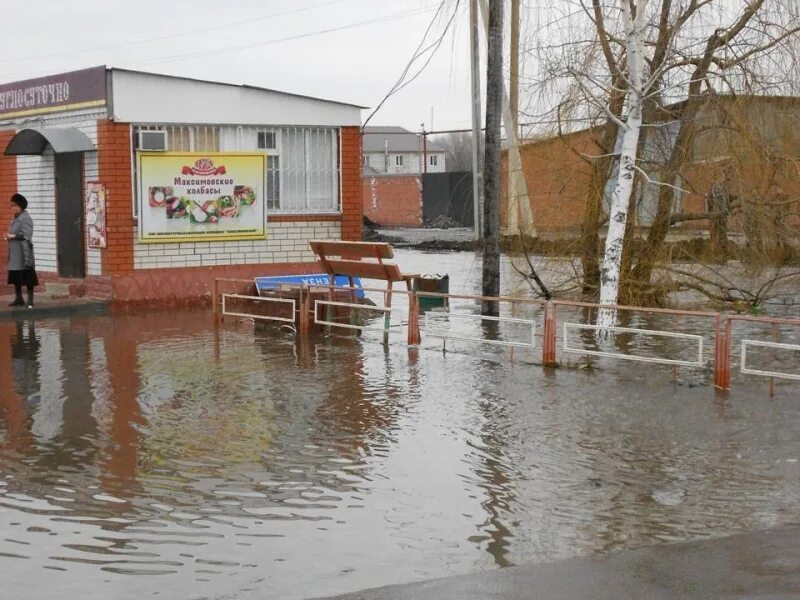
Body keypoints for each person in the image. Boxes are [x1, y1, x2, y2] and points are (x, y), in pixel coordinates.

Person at [5, 193, 38, 308]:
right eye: (11, 205)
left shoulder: (26, 218)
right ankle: (19, 298)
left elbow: (27, 235)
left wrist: (13, 236)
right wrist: (8, 236)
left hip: (23, 252)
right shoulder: (15, 218)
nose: (12, 207)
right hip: (14, 252)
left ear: (20, 206)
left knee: (27, 275)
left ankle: (30, 300)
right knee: (15, 275)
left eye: (14, 205)